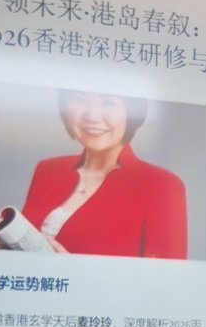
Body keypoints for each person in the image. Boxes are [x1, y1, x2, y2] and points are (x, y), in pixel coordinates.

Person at [22, 90, 187, 258]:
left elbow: (167, 274)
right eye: (80, 100)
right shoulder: (47, 169)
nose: (92, 116)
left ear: (131, 112)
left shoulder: (161, 186)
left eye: (108, 102)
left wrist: (74, 269)